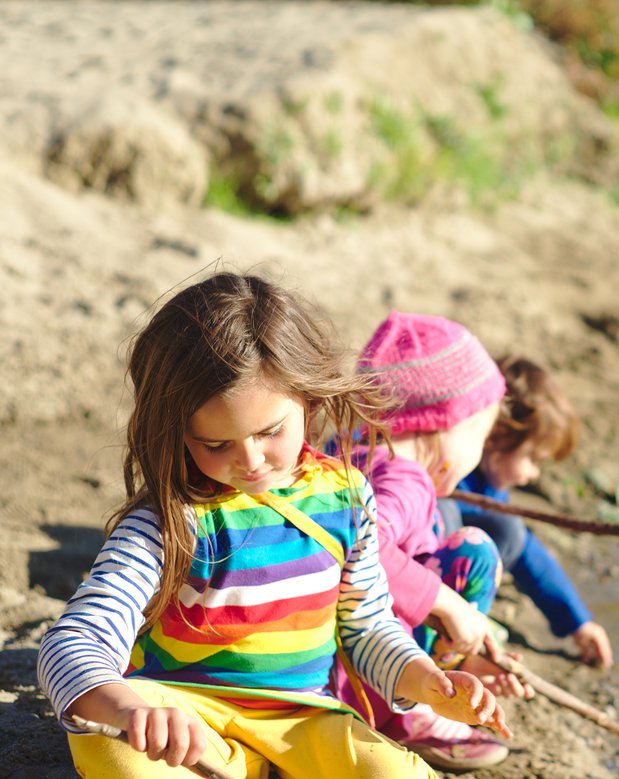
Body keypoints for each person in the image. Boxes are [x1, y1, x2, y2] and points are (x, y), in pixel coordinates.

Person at [36, 273, 508, 779]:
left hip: (303, 719)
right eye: (215, 445)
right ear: (176, 431)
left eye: (270, 431)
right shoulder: (167, 519)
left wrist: (428, 681)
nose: (251, 461)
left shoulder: (347, 497)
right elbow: (73, 641)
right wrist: (131, 711)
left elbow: (368, 628)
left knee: (397, 772)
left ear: (307, 397)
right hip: (188, 717)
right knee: (115, 754)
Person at [337, 311, 531, 772]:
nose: (479, 454)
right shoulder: (402, 479)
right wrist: (450, 606)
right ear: (444, 422)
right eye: (479, 436)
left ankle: (455, 667)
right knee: (474, 551)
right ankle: (418, 713)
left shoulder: (345, 452)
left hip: (332, 647)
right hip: (364, 664)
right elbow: (362, 552)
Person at [447, 355, 614, 669]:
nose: (535, 474)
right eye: (533, 459)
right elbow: (516, 540)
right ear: (498, 436)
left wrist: (578, 621)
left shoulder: (489, 481)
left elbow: (528, 553)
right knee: (506, 529)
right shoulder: (451, 476)